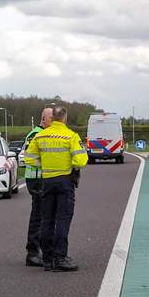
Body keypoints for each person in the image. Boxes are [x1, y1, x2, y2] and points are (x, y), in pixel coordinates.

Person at [23, 106, 88, 272]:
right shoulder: (71, 136)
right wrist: (68, 165)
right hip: (65, 181)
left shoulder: (40, 135)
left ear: (52, 119)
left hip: (47, 180)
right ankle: (60, 257)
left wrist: (45, 164)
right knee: (63, 219)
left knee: (47, 219)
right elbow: (81, 160)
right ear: (64, 119)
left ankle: (47, 259)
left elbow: (29, 158)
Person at [22, 108, 54, 266]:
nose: (53, 121)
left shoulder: (45, 134)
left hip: (43, 178)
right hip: (36, 179)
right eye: (51, 118)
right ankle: (32, 252)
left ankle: (41, 249)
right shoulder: (35, 134)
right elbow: (30, 155)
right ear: (43, 119)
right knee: (38, 215)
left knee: (44, 215)